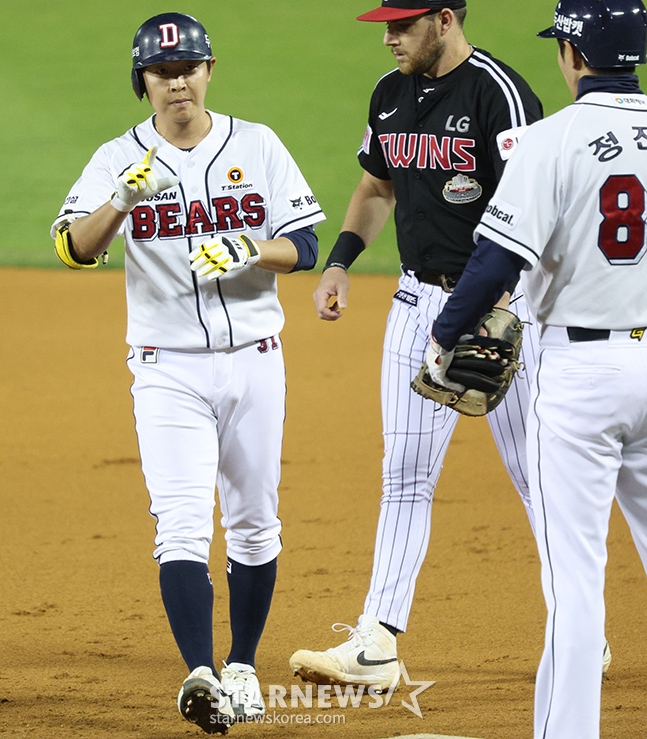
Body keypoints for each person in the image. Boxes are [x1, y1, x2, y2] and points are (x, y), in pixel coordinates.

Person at [51, 12, 325, 735]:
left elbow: (305, 240)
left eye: (189, 67)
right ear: (141, 82)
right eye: (161, 72)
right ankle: (200, 672)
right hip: (166, 369)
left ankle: (241, 664)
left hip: (255, 363)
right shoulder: (119, 157)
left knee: (254, 524)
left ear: (209, 70)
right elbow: (72, 249)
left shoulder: (256, 144)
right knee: (179, 525)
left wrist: (249, 249)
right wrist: (120, 203)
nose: (177, 81)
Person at [289, 0, 547, 690]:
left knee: (537, 476)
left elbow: (535, 204)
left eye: (401, 25)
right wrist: (340, 261)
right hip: (414, 303)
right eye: (385, 26)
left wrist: (497, 305)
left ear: (444, 19)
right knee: (403, 471)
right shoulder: (389, 93)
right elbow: (377, 184)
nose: (389, 39)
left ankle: (582, 627)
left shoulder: (500, 91)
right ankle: (376, 641)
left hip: (498, 306)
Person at [424, 1, 647, 736]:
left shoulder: (551, 140)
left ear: (574, 57)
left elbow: (497, 261)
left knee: (577, 582)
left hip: (581, 379)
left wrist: (443, 336)